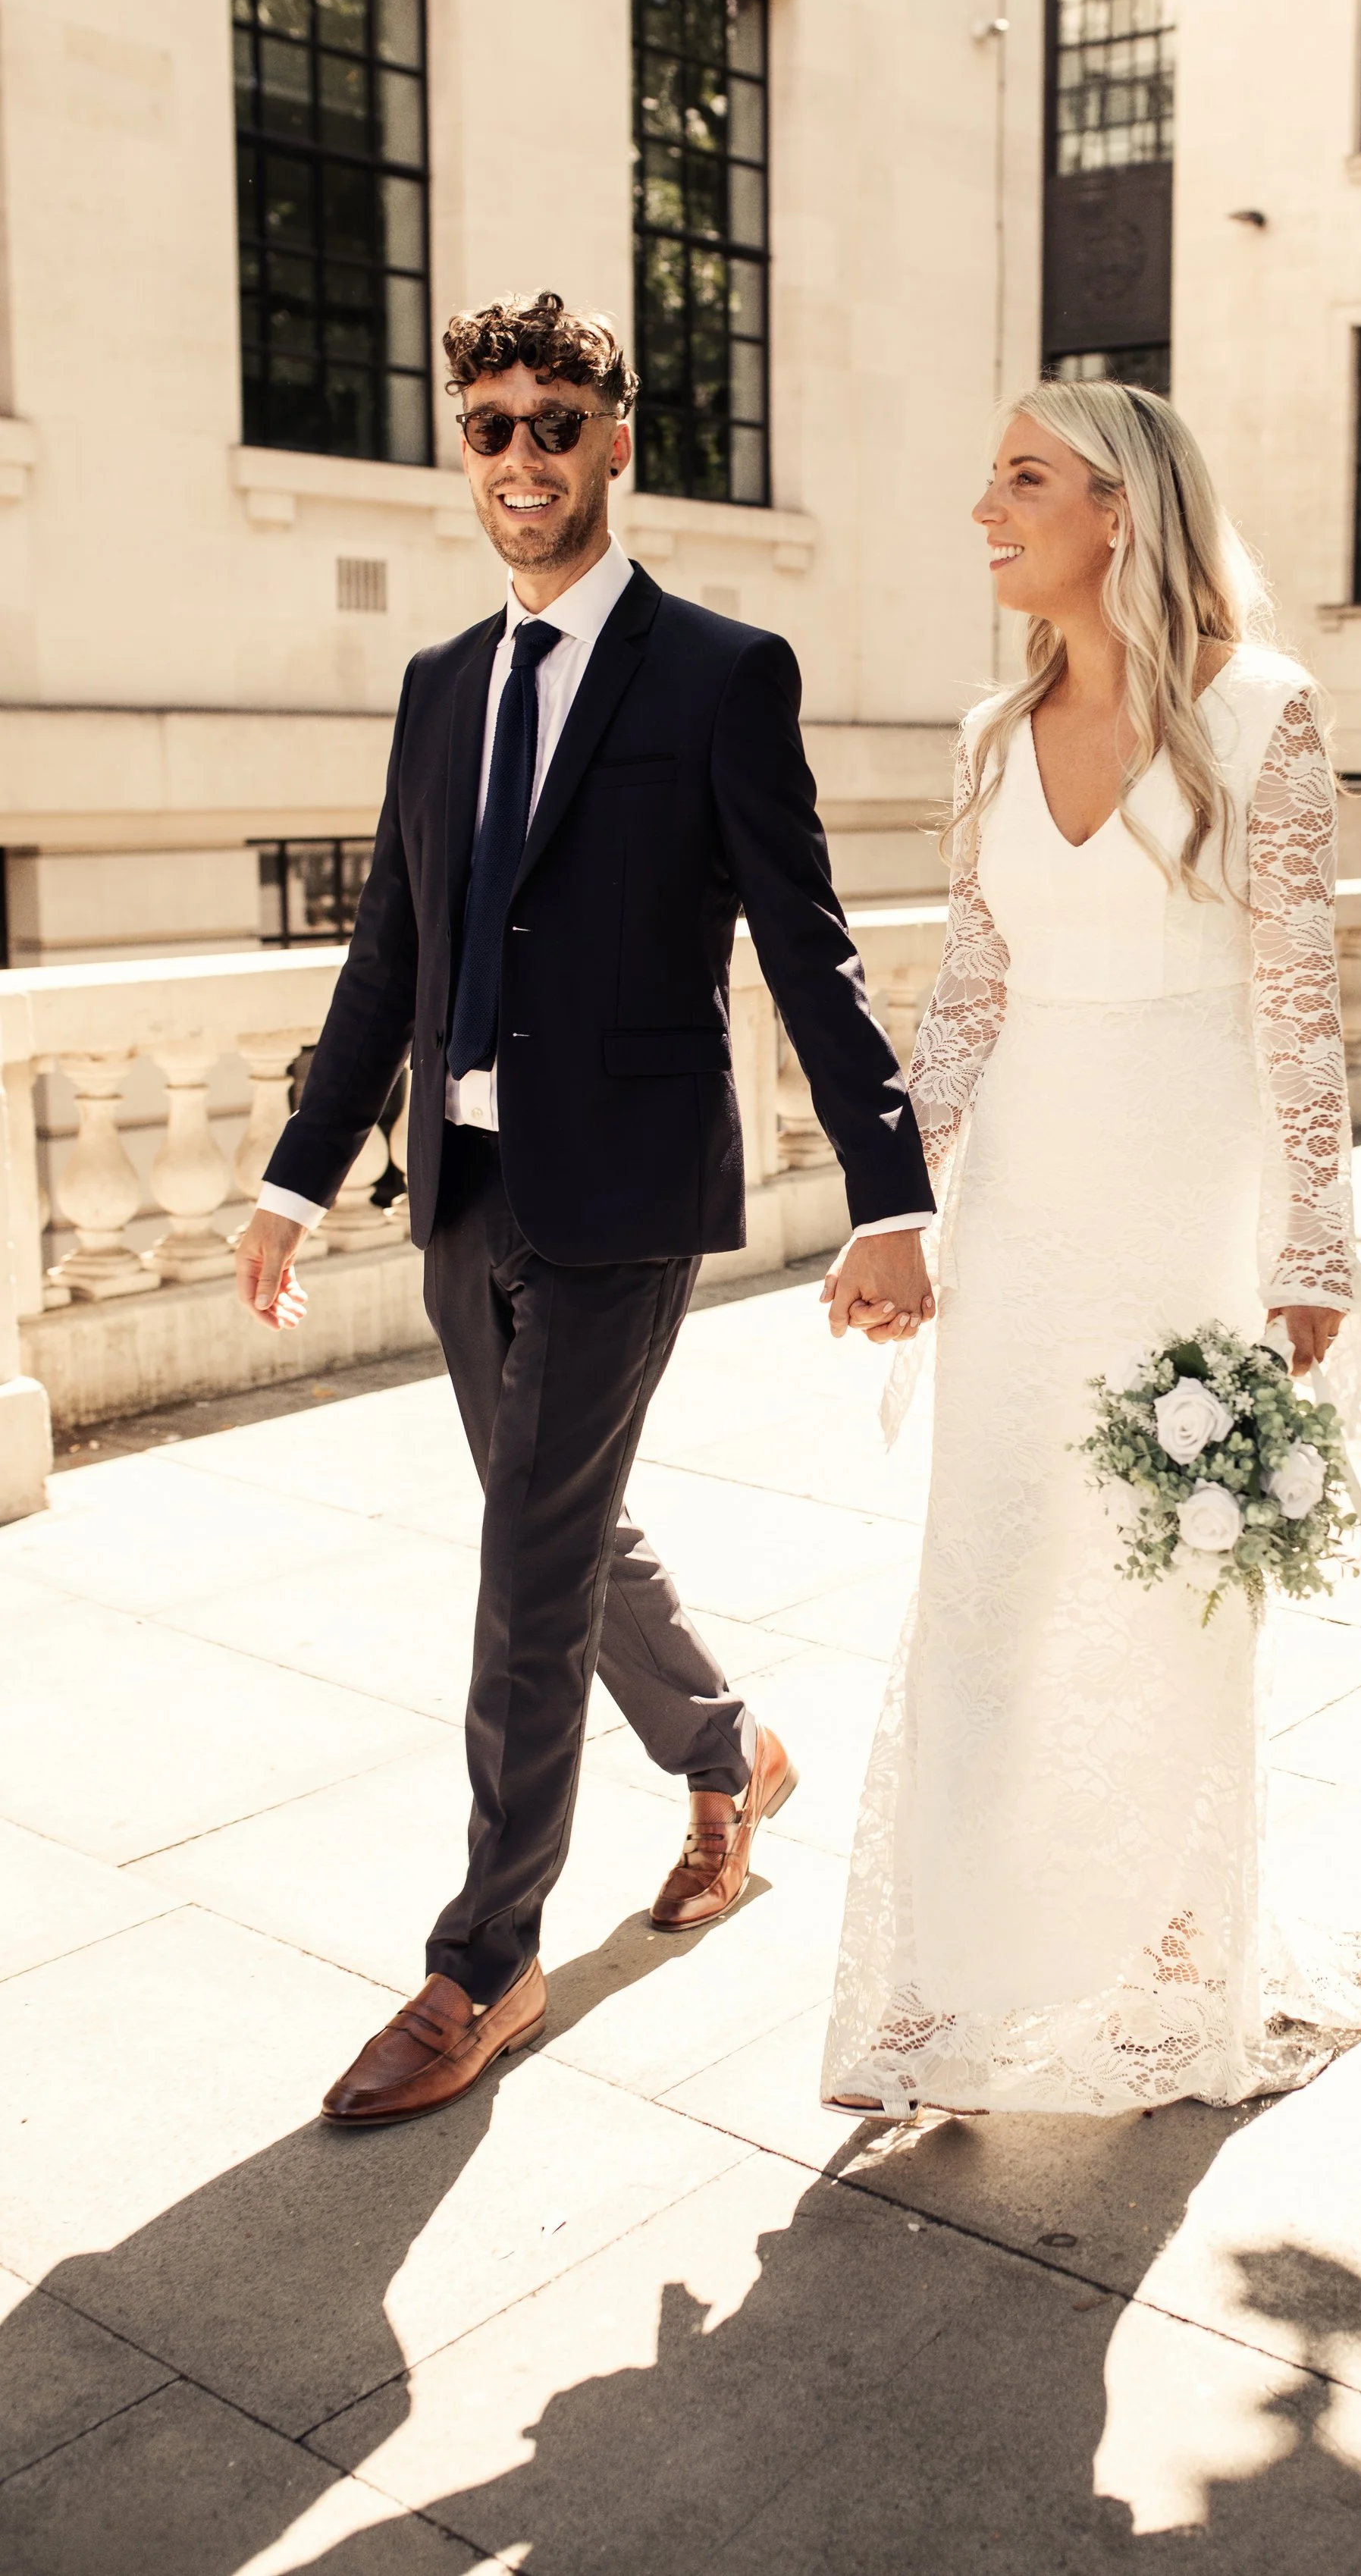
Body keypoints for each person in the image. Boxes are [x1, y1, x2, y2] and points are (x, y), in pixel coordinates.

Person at [234, 292, 935, 2127]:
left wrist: (890, 1196)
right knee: (566, 1524)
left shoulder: (719, 673)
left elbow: (809, 945)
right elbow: (388, 953)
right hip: (461, 1192)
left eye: (558, 421)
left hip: (624, 1195)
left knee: (528, 1567)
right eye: (490, 426)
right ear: (460, 449)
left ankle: (482, 1963)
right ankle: (733, 1756)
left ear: (620, 440)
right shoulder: (440, 686)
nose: (524, 455)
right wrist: (294, 1181)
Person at [821, 381, 1361, 2117]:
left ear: (1121, 511)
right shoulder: (987, 739)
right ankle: (949, 1982)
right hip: (1020, 1206)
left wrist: (1313, 1247)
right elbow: (967, 999)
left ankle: (1169, 1966)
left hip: (1184, 1202)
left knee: (1166, 1579)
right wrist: (895, 1204)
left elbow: (1297, 1006)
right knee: (991, 1582)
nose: (983, 507)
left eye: (1020, 477)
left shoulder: (1263, 716)